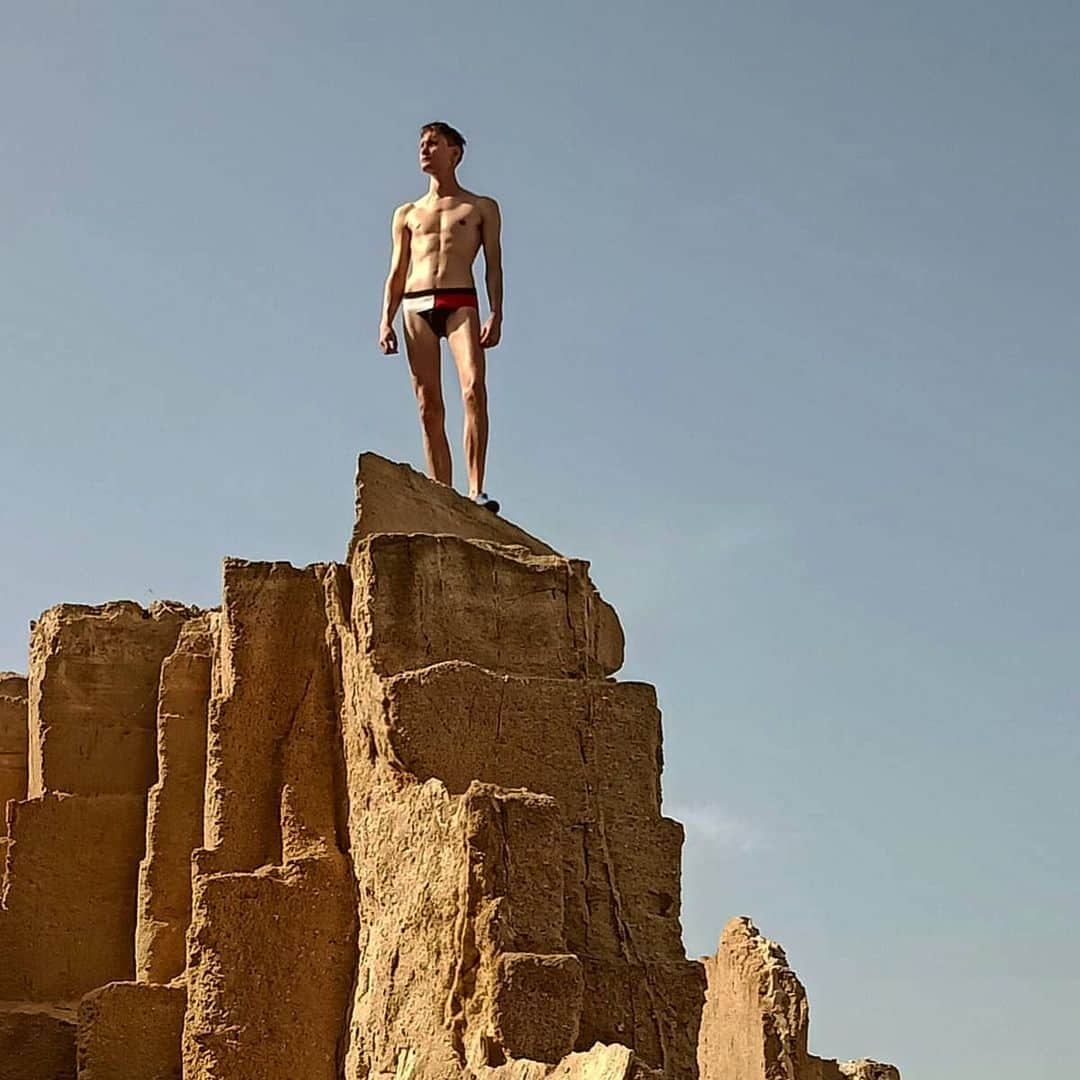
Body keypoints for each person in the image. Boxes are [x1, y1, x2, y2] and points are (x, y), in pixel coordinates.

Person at [378, 122, 503, 513]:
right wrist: (385, 319)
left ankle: (476, 488)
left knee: (472, 387)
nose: (425, 150)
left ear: (455, 153)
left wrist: (497, 312)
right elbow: (397, 270)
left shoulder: (480, 206)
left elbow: (494, 267)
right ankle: (440, 493)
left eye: (434, 144)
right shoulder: (407, 213)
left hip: (460, 299)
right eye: (422, 144)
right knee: (428, 402)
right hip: (415, 304)